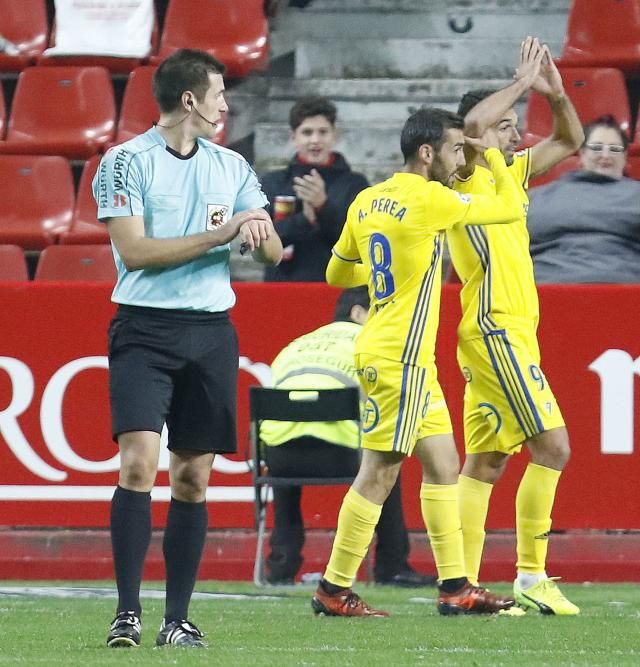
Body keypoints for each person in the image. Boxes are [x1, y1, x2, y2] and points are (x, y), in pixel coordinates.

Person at [95, 49, 283, 649]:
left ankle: (177, 620)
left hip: (210, 333)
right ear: (189, 101)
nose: (226, 104)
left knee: (193, 479)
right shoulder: (124, 163)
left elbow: (276, 252)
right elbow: (138, 252)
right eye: (219, 94)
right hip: (144, 329)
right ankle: (127, 613)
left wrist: (260, 231)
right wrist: (224, 233)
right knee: (137, 464)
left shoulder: (232, 166)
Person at [313, 107, 523, 618]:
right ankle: (332, 588)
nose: (461, 158)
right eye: (456, 149)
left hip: (399, 353)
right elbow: (511, 208)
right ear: (426, 153)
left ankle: (456, 588)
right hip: (399, 357)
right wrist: (490, 153)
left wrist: (388, 259)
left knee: (443, 466)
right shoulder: (430, 198)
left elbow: (337, 275)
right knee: (380, 472)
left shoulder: (367, 200)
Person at [449, 37, 584, 616]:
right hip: (495, 327)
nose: (514, 135)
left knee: (485, 462)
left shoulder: (509, 174)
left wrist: (555, 96)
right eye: (507, 127)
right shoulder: (465, 174)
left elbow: (570, 141)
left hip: (510, 330)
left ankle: (461, 585)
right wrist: (521, 83)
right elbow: (474, 123)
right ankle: (532, 574)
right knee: (553, 446)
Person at [260, 287, 436, 588]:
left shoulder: (295, 346)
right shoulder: (371, 345)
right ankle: (392, 566)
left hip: (281, 458)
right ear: (357, 312)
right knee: (388, 456)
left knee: (285, 446)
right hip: (340, 456)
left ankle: (281, 564)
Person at [527, 115, 640, 283]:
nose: (605, 156)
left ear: (625, 158)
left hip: (637, 291)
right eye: (597, 148)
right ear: (581, 154)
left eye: (614, 149)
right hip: (548, 289)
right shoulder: (537, 198)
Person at [260, 96, 369, 282]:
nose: (315, 140)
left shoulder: (355, 185)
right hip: (282, 288)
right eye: (307, 132)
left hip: (338, 289)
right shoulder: (273, 183)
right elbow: (262, 243)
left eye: (323, 132)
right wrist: (305, 219)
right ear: (294, 138)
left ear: (334, 136)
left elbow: (361, 243)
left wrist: (323, 206)